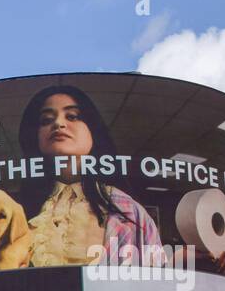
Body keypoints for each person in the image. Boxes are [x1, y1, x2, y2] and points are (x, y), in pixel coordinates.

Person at [19, 84, 164, 268]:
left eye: (72, 116)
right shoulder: (16, 211)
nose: (58, 124)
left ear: (93, 130)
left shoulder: (130, 211)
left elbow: (156, 283)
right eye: (46, 120)